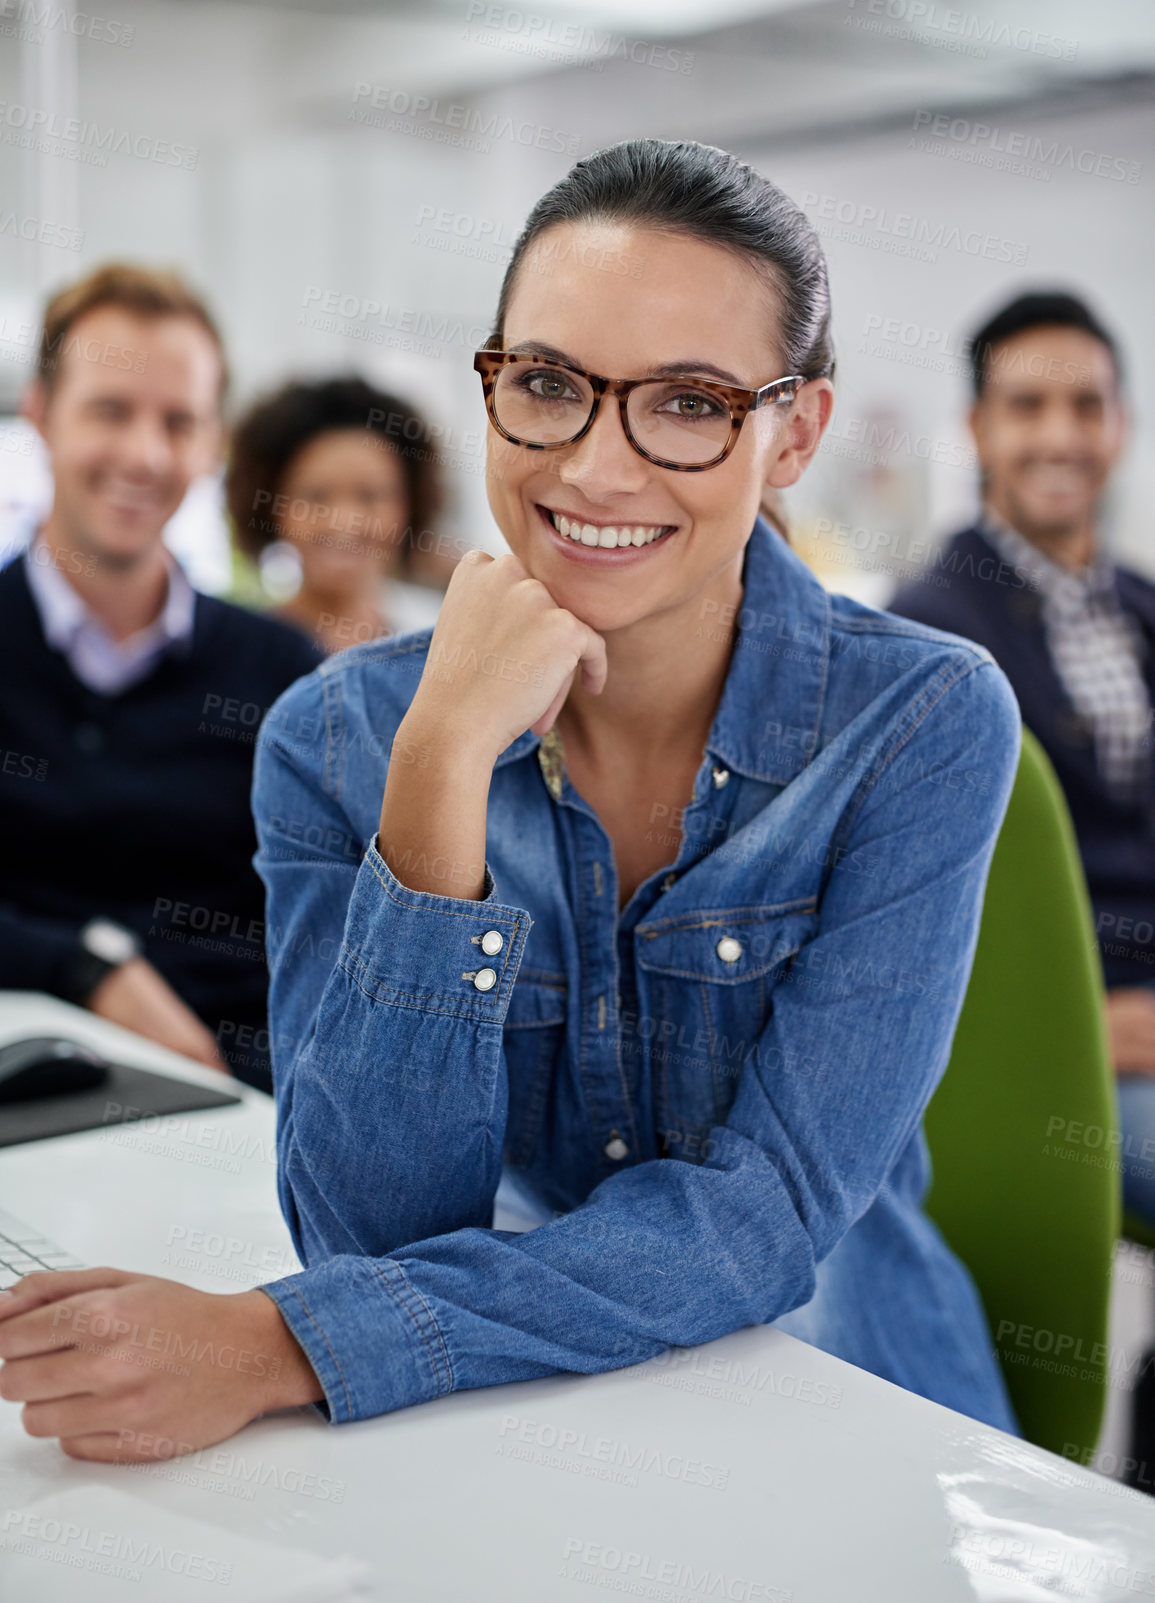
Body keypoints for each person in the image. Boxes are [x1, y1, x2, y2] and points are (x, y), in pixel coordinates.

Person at [0, 140, 1024, 1463]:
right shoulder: (334, 732)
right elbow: (371, 1235)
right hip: (534, 1403)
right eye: (545, 382)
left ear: (793, 434)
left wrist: (284, 1340)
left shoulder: (918, 720)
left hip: (852, 1403)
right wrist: (438, 766)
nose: (595, 468)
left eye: (689, 402)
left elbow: (763, 1211)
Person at [0, 263, 321, 1092]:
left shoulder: (283, 672)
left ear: (212, 441)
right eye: (110, 410)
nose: (144, 454)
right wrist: (88, 967)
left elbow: (324, 925)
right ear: (40, 414)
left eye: (178, 422)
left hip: (238, 1107)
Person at [889, 292, 1155, 1221]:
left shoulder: (1140, 607)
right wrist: (1084, 1020)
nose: (1060, 435)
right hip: (1059, 1040)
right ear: (977, 426)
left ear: (1118, 424)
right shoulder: (927, 631)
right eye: (1026, 406)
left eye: (1085, 405)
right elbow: (927, 904)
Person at [227, 376, 446, 652]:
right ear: (272, 506)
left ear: (410, 503)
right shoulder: (240, 654)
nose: (343, 521)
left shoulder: (441, 642)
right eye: (316, 496)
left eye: (370, 495)